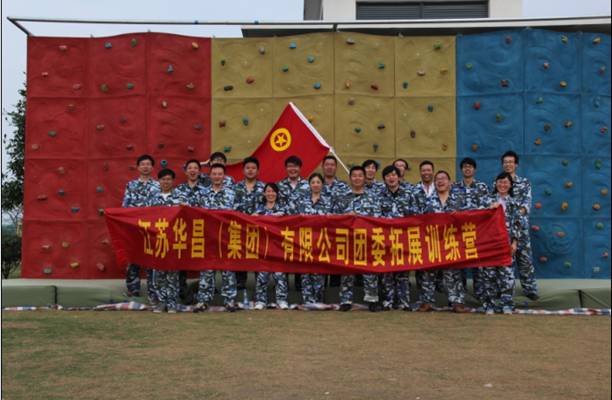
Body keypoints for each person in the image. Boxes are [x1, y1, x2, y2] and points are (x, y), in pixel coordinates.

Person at [418, 170, 469, 313]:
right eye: (437, 179)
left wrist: (460, 216)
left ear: (450, 182)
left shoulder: (458, 200)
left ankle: (457, 302)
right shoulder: (428, 201)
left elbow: (470, 216)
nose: (440, 181)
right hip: (433, 242)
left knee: (453, 273)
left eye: (443, 178)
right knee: (428, 272)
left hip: (452, 241)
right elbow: (420, 220)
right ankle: (427, 301)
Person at [333, 166, 383, 312]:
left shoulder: (372, 197)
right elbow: (334, 217)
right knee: (347, 270)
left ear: (364, 178)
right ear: (350, 178)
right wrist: (346, 217)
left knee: (370, 270)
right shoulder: (343, 197)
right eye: (354, 176)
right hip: (347, 240)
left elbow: (378, 218)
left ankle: (372, 300)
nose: (357, 178)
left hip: (367, 240)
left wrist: (362, 218)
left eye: (360, 175)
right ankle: (346, 300)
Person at [195, 163, 238, 312]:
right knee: (206, 269)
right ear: (210, 176)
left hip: (227, 237)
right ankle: (203, 300)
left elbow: (239, 215)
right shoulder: (202, 194)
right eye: (214, 174)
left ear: (224, 176)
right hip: (208, 237)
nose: (217, 176)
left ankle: (229, 300)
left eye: (220, 174)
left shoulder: (232, 194)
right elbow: (196, 214)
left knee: (228, 269)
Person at [147, 168, 187, 313]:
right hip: (157, 240)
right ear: (159, 181)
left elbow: (188, 216)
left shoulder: (180, 198)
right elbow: (146, 216)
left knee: (172, 274)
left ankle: (172, 303)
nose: (166, 182)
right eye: (163, 179)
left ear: (173, 181)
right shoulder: (152, 198)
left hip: (173, 240)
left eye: (169, 179)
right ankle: (162, 302)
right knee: (158, 274)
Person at [379, 165, 419, 310]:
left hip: (403, 239)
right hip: (385, 240)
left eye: (394, 175)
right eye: (388, 175)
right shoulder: (379, 195)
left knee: (403, 272)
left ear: (399, 177)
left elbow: (415, 215)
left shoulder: (409, 194)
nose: (391, 178)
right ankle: (388, 302)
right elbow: (375, 216)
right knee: (387, 272)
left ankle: (404, 302)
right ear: (384, 179)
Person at [480, 172, 521, 314]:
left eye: (505, 182)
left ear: (510, 185)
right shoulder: (487, 200)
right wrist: (488, 209)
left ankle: (507, 305)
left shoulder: (514, 203)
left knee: (507, 276)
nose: (502, 185)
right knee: (488, 275)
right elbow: (478, 219)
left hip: (506, 244)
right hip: (489, 243)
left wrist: (514, 243)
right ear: (496, 183)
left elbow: (518, 224)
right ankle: (489, 305)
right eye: (500, 182)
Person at [500, 150, 539, 300]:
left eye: (511, 162)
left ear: (516, 164)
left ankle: (530, 290)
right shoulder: (499, 182)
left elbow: (526, 205)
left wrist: (513, 214)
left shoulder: (524, 183)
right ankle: (506, 291)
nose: (508, 164)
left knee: (525, 260)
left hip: (521, 229)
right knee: (505, 262)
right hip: (503, 230)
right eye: (505, 162)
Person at [122, 154, 160, 301]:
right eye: (143, 164)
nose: (145, 167)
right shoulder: (131, 185)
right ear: (138, 167)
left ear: (152, 167)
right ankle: (133, 290)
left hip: (152, 229)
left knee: (152, 260)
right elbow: (125, 206)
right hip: (135, 228)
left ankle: (153, 292)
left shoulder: (158, 185)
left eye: (148, 164)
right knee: (133, 259)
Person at [451, 157, 490, 301]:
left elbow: (486, 207)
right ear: (461, 169)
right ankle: (460, 297)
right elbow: (451, 207)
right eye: (465, 167)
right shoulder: (454, 187)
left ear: (474, 169)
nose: (467, 169)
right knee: (460, 264)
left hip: (477, 232)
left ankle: (479, 296)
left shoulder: (482, 187)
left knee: (478, 264)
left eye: (470, 167)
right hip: (459, 232)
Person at [233, 157, 266, 306]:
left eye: (253, 168)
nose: (250, 170)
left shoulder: (264, 188)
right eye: (248, 168)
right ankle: (242, 297)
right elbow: (232, 208)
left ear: (258, 171)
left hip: (258, 233)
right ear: (243, 170)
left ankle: (259, 298)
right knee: (241, 265)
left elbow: (268, 207)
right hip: (240, 232)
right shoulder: (236, 188)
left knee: (259, 266)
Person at [174, 159, 208, 303]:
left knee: (204, 264)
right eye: (190, 168)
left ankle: (203, 295)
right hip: (183, 231)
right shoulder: (178, 190)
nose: (193, 170)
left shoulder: (206, 190)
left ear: (199, 171)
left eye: (195, 168)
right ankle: (181, 293)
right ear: (185, 171)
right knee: (180, 262)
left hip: (201, 231)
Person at [253, 183, 289, 310]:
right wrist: (254, 218)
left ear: (277, 194)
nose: (270, 194)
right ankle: (260, 301)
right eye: (268, 191)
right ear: (264, 193)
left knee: (280, 275)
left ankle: (282, 300)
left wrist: (282, 218)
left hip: (279, 247)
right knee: (262, 275)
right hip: (263, 247)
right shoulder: (259, 210)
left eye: (273, 191)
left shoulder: (283, 209)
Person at [298, 173, 333, 304]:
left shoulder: (328, 201)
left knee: (319, 272)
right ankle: (307, 300)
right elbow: (293, 218)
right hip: (305, 241)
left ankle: (319, 300)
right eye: (313, 182)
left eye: (318, 182)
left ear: (322, 184)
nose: (315, 185)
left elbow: (335, 219)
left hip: (321, 242)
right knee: (305, 272)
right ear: (309, 185)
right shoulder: (302, 201)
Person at [277, 155, 310, 292]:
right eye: (290, 166)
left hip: (302, 230)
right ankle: (283, 291)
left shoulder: (308, 185)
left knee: (301, 260)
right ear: (286, 168)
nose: (292, 169)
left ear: (300, 168)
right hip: (284, 230)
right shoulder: (279, 186)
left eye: (295, 166)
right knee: (284, 259)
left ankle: (300, 289)